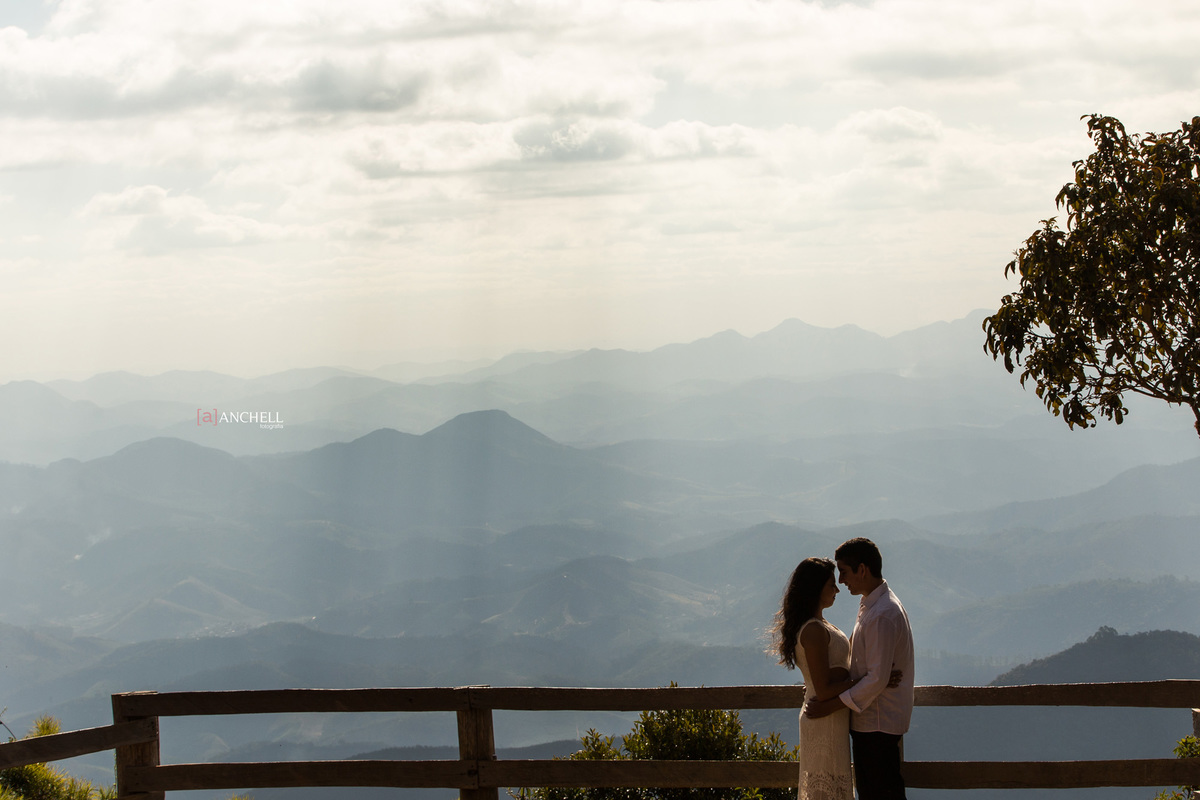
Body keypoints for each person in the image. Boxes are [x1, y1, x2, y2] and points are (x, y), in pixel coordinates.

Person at [805, 538, 915, 800]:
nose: (841, 580)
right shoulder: (874, 606)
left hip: (877, 724)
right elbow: (875, 673)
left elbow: (877, 679)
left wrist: (829, 705)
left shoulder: (881, 615)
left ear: (862, 570)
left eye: (844, 571)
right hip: (875, 722)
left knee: (880, 793)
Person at [771, 557, 857, 800]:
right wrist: (869, 681)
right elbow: (824, 689)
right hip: (824, 720)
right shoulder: (813, 630)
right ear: (815, 588)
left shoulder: (819, 625)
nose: (837, 589)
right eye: (831, 584)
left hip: (830, 718)